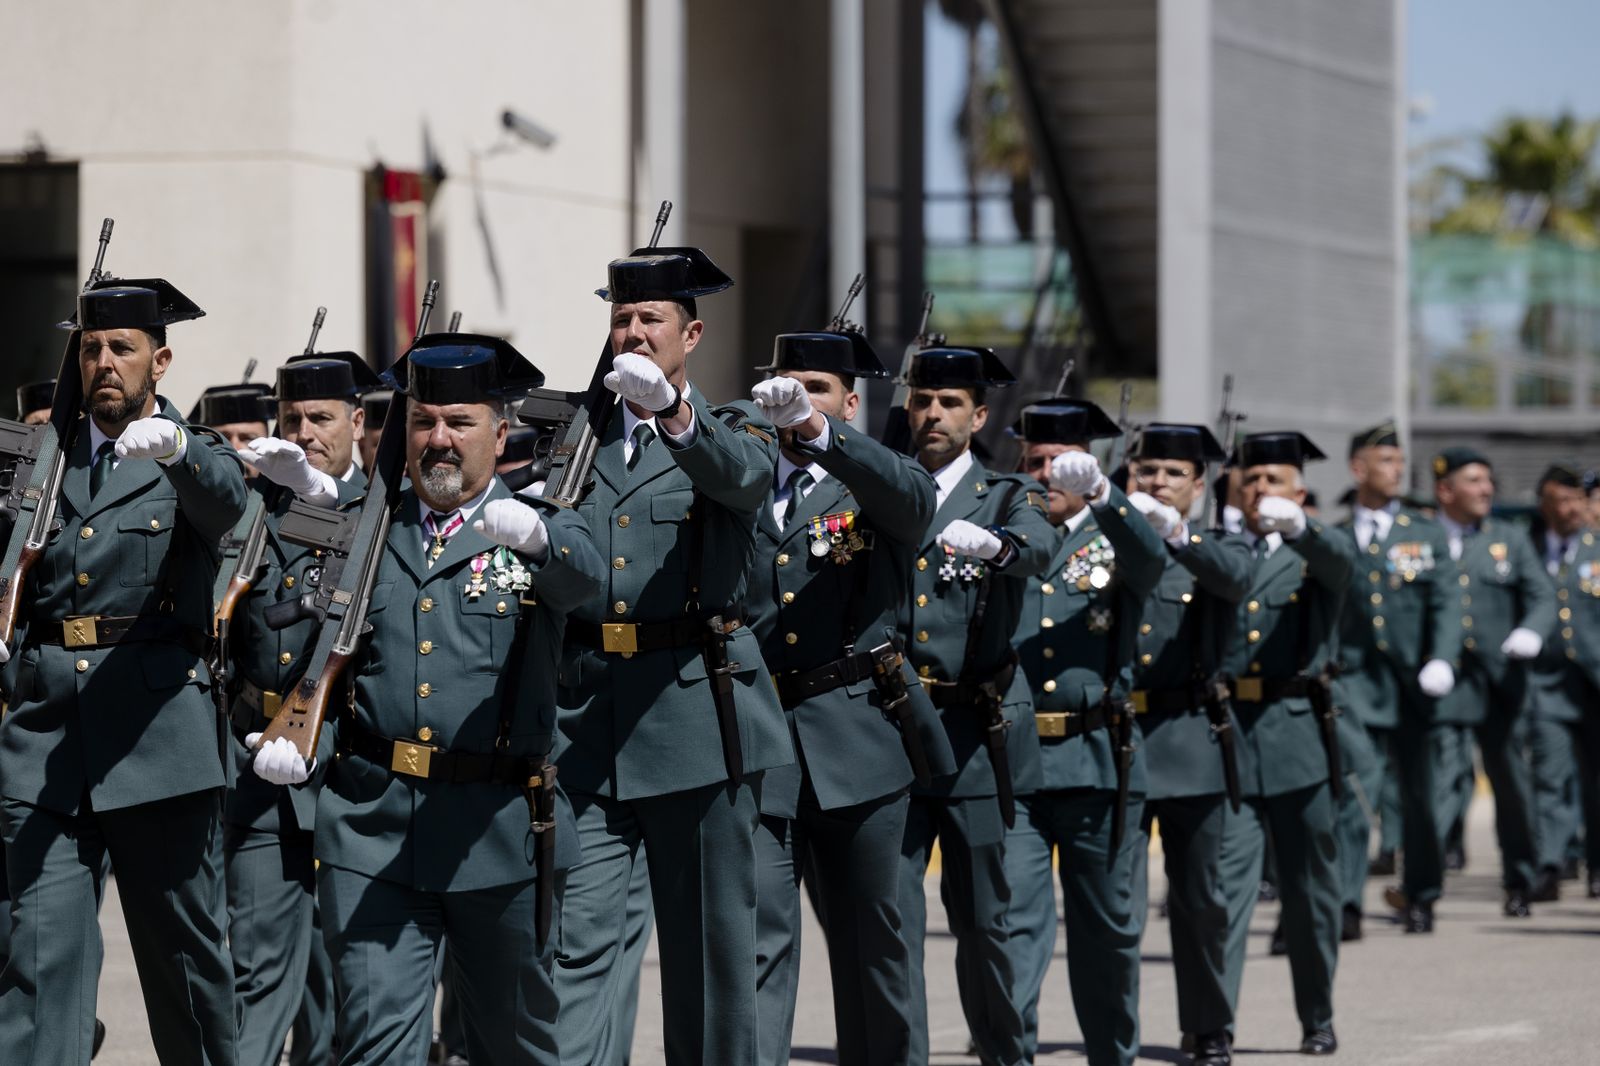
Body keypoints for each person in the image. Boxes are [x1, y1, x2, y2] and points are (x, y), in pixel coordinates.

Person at [250, 332, 602, 1065]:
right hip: (373, 830)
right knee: (374, 1046)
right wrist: (304, 740)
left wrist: (540, 542)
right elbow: (330, 658)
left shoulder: (541, 525)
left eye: (460, 423)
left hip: (499, 834)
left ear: (499, 435)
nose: (439, 440)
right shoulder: (368, 531)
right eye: (423, 422)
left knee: (517, 1048)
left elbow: (587, 582)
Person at [553, 246, 794, 1066]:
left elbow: (744, 479)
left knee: (706, 960)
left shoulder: (736, 426)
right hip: (587, 721)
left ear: (690, 335)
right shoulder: (573, 442)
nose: (632, 332)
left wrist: (676, 417)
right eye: (621, 318)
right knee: (574, 946)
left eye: (650, 319)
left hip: (694, 714)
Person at [0, 276, 246, 1065]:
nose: (104, 362)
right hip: (47, 743)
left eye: (123, 348)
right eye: (92, 348)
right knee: (38, 965)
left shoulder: (194, 454)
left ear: (159, 361)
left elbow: (227, 503)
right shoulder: (42, 462)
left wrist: (177, 451)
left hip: (156, 741)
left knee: (186, 967)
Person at [745, 325, 951, 1066]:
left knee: (875, 942)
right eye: (789, 387)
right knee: (756, 944)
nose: (800, 399)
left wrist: (816, 430)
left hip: (857, 739)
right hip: (759, 741)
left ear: (850, 403)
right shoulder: (742, 476)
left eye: (819, 389)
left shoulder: (873, 475)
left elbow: (914, 500)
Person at [894, 346, 1054, 1066]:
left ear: (979, 416)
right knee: (891, 924)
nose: (934, 414)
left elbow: (1038, 547)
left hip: (973, 736)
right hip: (893, 731)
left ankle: (1004, 1054)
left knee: (988, 921)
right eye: (923, 400)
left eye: (951, 402)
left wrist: (998, 547)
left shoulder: (1007, 493)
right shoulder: (883, 485)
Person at [220, 351, 378, 1066]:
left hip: (355, 781)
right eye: (291, 419)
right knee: (256, 977)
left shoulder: (389, 512)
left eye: (321, 417)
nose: (305, 432)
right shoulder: (254, 511)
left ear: (358, 421)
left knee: (352, 992)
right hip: (261, 775)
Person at [1000, 400, 1166, 1066]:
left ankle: (1112, 1055)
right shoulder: (1003, 530)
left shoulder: (1113, 532)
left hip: (1097, 760)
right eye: (1035, 462)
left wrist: (1105, 494)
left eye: (1060, 463)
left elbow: (1150, 562)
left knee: (1107, 933)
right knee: (1011, 927)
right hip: (1013, 761)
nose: (1046, 475)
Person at [1217, 431, 1353, 1057]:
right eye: (1250, 480)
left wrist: (1302, 529)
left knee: (1309, 893)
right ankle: (1213, 1025)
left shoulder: (1312, 549)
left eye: (1274, 480)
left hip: (1297, 733)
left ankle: (1317, 1014)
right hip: (1227, 738)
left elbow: (1342, 563)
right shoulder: (1219, 550)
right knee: (1222, 893)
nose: (1259, 490)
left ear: (1299, 495)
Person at [1125, 423, 1252, 1066]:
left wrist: (1177, 533)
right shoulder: (1108, 541)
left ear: (1199, 486)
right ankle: (1113, 1031)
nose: (1158, 482)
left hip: (1189, 738)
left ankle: (1208, 1025)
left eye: (1174, 473)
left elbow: (1235, 578)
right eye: (1147, 470)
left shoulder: (1214, 545)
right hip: (1118, 738)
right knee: (1116, 904)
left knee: (1201, 898)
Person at [1332, 422, 1459, 935]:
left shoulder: (1425, 533)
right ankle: (1346, 903)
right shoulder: (1338, 535)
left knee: (1420, 797)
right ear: (1357, 468)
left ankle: (1422, 893)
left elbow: (1447, 602)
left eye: (1400, 462)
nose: (1397, 470)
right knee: (1354, 794)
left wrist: (1443, 658)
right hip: (1356, 683)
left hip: (1414, 687)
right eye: (1385, 461)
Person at [1429, 447, 1556, 918]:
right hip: (1444, 681)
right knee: (1437, 783)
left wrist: (1531, 631)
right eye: (1474, 480)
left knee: (1511, 784)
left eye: (1488, 480)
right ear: (1445, 490)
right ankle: (1422, 887)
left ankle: (1520, 879)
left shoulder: (1509, 538)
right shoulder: (1423, 537)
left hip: (1501, 682)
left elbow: (1543, 596)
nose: (1486, 489)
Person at [1522, 462, 1600, 902]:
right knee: (1549, 777)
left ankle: (1597, 866)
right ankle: (1550, 864)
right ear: (1544, 504)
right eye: (1561, 500)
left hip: (1595, 683)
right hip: (1547, 684)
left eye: (1577, 500)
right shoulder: (1526, 549)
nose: (1571, 509)